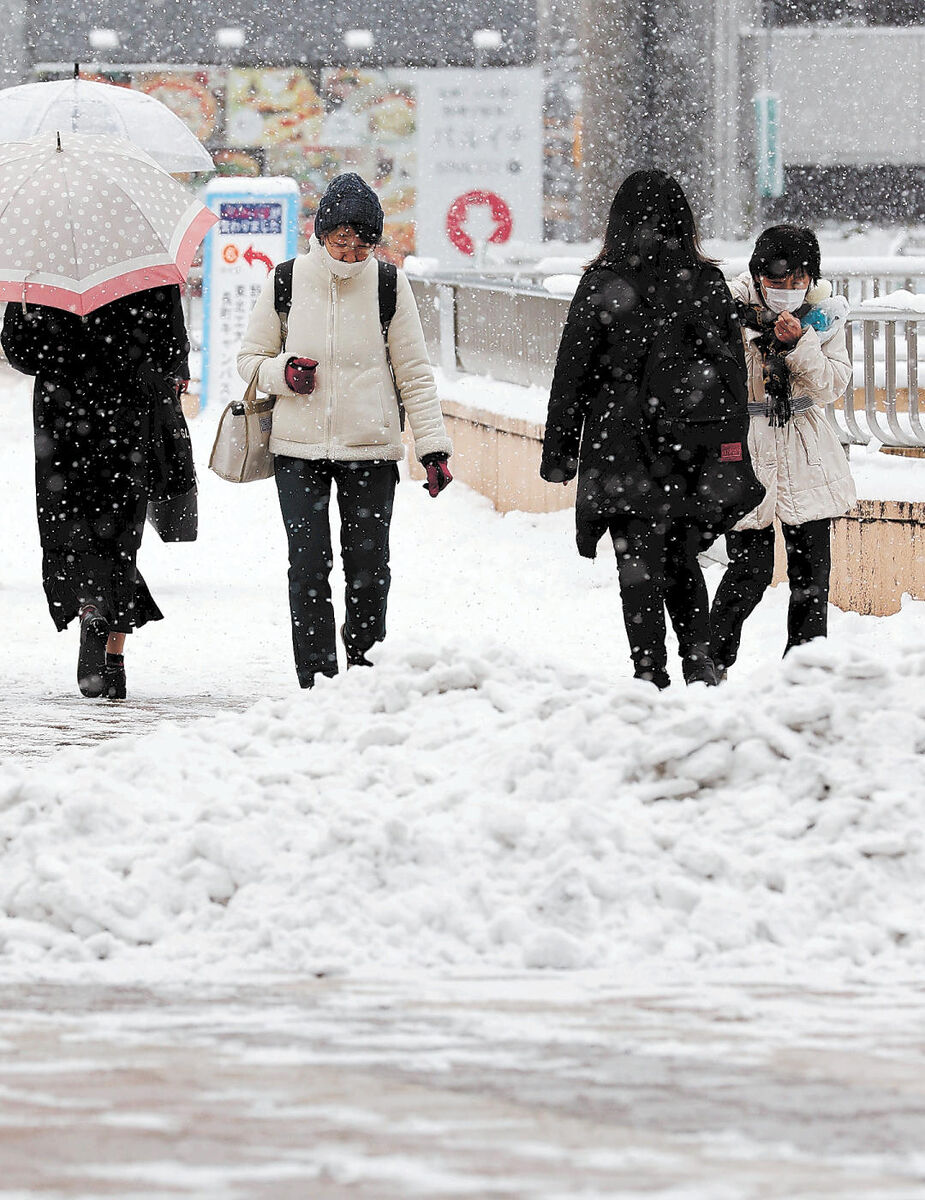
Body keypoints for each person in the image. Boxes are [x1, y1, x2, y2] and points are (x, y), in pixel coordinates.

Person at [540, 170, 762, 689]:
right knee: (683, 556)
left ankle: (648, 670)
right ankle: (700, 659)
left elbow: (573, 372)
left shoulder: (602, 283)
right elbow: (731, 371)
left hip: (619, 444)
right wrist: (725, 445)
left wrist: (561, 450)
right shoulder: (705, 282)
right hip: (688, 444)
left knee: (636, 561)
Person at [237, 173, 453, 688]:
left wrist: (433, 449)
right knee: (308, 568)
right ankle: (316, 677)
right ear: (321, 234)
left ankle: (364, 670)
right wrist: (283, 372)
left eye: (363, 246)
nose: (351, 255)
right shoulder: (286, 279)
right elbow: (249, 359)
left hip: (371, 448)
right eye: (341, 243)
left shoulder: (387, 283)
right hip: (298, 451)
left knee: (368, 569)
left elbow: (414, 372)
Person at [1, 286, 193, 700]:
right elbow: (173, 348)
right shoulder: (145, 270)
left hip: (61, 416)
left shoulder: (41, 270)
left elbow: (18, 350)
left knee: (66, 526)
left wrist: (64, 351)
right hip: (127, 415)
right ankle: (114, 662)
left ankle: (89, 605)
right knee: (121, 539)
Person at [709, 225, 855, 676]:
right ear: (757, 274)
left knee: (812, 577)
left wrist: (798, 344)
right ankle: (710, 662)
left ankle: (806, 674)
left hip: (805, 449)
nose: (789, 290)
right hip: (746, 446)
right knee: (749, 571)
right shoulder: (722, 306)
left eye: (799, 280)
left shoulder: (823, 316)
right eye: (778, 280)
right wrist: (757, 331)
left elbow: (832, 384)